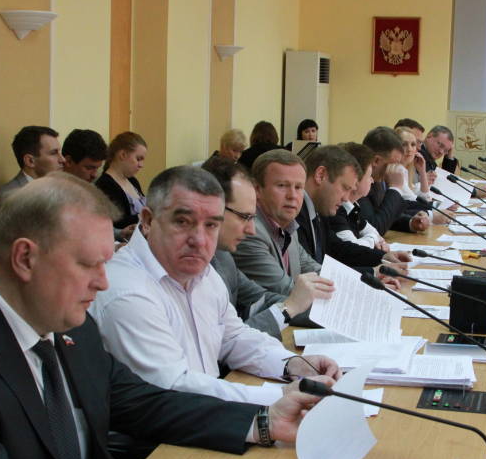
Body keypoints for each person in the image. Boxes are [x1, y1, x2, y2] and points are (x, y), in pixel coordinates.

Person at [0, 172, 323, 459]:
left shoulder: (63, 317)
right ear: (25, 258)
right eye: (88, 264)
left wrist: (263, 422)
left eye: (106, 262)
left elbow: (139, 402)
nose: (103, 281)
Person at [91, 166, 339, 405]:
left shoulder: (203, 272)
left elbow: (233, 338)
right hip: (168, 428)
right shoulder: (127, 291)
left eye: (211, 225)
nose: (199, 240)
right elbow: (174, 388)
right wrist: (281, 396)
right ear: (147, 220)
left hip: (208, 415)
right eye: (183, 222)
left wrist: (293, 365)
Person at [203, 158, 335, 338]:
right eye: (244, 217)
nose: (250, 229)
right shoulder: (194, 267)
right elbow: (224, 341)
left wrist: (336, 313)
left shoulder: (222, 256)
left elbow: (263, 299)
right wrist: (289, 307)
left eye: (298, 187)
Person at [232, 149, 323, 296]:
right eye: (282, 185)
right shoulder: (250, 232)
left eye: (298, 187)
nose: (292, 196)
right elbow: (287, 292)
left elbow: (313, 268)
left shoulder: (288, 225)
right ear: (257, 189)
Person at [296, 145, 390, 268]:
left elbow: (338, 249)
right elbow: (311, 271)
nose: (346, 198)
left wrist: (383, 258)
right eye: (345, 188)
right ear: (320, 175)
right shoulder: (294, 214)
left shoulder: (319, 210)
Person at [359, 126, 429, 234]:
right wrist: (395, 188)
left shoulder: (380, 179)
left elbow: (385, 215)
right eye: (393, 164)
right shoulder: (359, 183)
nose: (395, 170)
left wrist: (410, 223)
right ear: (376, 160)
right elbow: (374, 227)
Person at [327, 142, 388, 250]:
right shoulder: (336, 210)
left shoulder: (353, 207)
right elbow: (352, 247)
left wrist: (374, 239)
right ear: (356, 180)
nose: (372, 180)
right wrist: (373, 240)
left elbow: (374, 232)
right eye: (369, 176)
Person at [0, 126, 63, 209]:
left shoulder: (57, 190)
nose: (62, 159)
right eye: (54, 153)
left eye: (60, 152)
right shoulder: (10, 198)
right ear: (30, 161)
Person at [95, 131, 146, 240]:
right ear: (122, 155)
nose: (141, 165)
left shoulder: (133, 181)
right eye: (138, 159)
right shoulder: (105, 185)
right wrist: (144, 216)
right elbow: (116, 222)